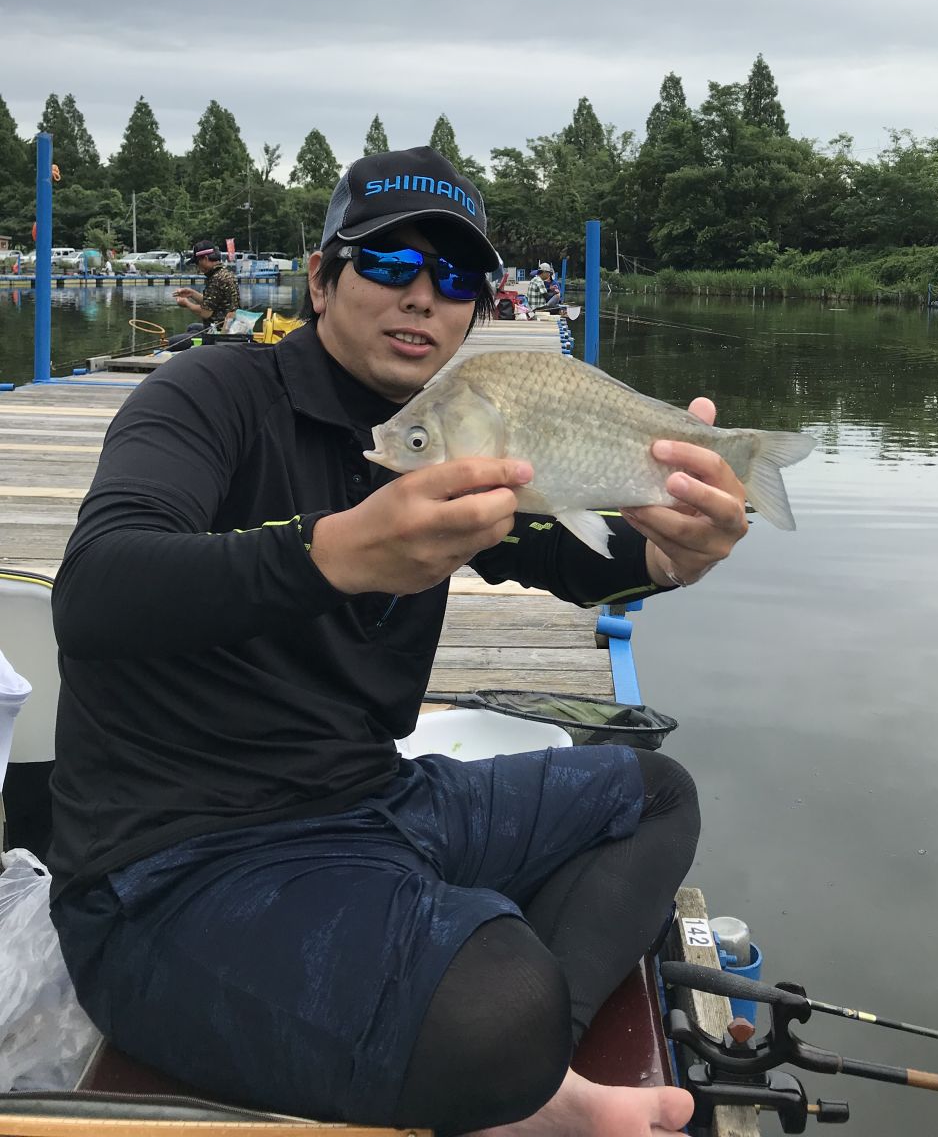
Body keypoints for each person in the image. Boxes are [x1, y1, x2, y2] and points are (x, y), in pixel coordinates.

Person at [49, 146, 750, 1137]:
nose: (423, 297)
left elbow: (581, 557)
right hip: (172, 868)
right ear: (323, 277)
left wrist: (679, 552)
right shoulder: (207, 398)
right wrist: (335, 553)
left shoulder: (450, 428)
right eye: (389, 265)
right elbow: (99, 589)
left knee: (649, 795)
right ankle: (503, 1059)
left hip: (375, 803)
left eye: (455, 278)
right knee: (494, 1005)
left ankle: (519, 1075)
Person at [172, 239, 240, 332]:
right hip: (231, 327)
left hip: (219, 332)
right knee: (192, 327)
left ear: (205, 259)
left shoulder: (216, 279)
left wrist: (187, 303)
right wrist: (191, 293)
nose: (197, 266)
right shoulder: (225, 273)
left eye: (197, 262)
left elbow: (205, 313)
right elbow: (211, 303)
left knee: (173, 342)